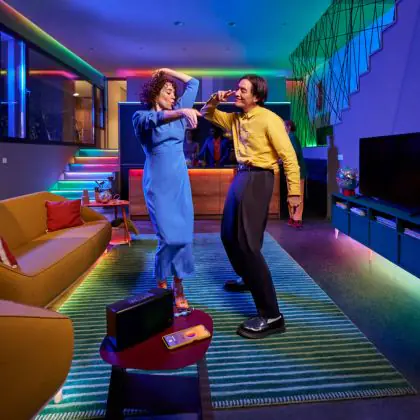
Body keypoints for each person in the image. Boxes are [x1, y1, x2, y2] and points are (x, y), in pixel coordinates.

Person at [201, 74, 301, 339]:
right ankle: (247, 277)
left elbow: (289, 158)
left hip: (259, 177)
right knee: (228, 235)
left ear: (256, 96)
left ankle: (272, 316)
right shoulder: (235, 118)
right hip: (241, 175)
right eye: (237, 88)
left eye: (243, 90)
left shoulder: (269, 119)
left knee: (248, 244)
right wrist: (215, 98)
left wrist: (294, 194)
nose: (237, 93)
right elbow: (205, 113)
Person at [132, 68, 200, 310]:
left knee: (183, 237)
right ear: (154, 94)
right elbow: (154, 120)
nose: (173, 96)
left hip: (179, 182)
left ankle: (178, 285)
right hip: (158, 184)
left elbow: (194, 83)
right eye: (168, 91)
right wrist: (181, 111)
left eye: (174, 93)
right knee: (167, 237)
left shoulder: (178, 110)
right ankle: (161, 279)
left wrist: (166, 72)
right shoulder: (140, 117)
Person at [284, 120, 307, 228]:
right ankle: (292, 217)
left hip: (297, 172)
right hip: (290, 172)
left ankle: (297, 218)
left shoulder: (292, 138)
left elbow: (295, 153)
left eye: (284, 126)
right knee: (291, 195)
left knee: (298, 195)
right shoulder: (288, 138)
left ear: (288, 127)